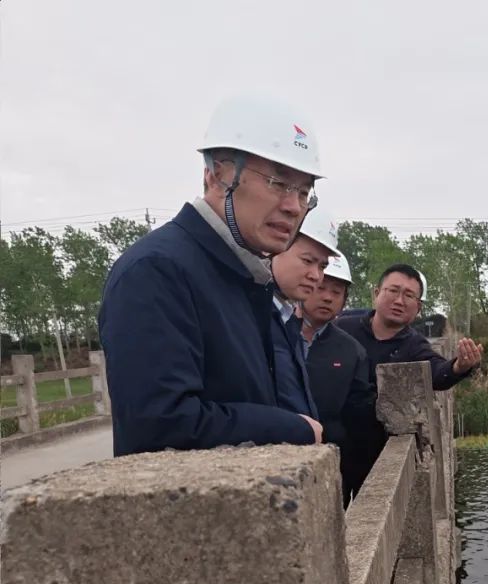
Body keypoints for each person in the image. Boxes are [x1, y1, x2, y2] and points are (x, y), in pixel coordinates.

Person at [99, 94, 328, 455]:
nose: (293, 206)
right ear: (218, 174)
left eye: (303, 192)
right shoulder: (157, 270)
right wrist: (292, 428)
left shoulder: (246, 277)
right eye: (277, 182)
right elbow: (158, 424)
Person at [335, 263, 484, 490]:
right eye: (393, 291)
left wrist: (459, 366)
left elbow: (436, 372)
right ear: (376, 293)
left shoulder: (414, 345)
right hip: (333, 443)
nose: (399, 301)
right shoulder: (342, 328)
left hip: (377, 452)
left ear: (418, 307)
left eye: (408, 295)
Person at [300, 254, 375, 506]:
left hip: (328, 465)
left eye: (337, 292)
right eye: (321, 287)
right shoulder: (271, 333)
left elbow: (359, 415)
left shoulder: (351, 351)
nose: (327, 297)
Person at [266, 205, 340, 417]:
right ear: (275, 249)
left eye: (322, 267)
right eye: (307, 261)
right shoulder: (251, 320)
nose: (316, 275)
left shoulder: (286, 321)